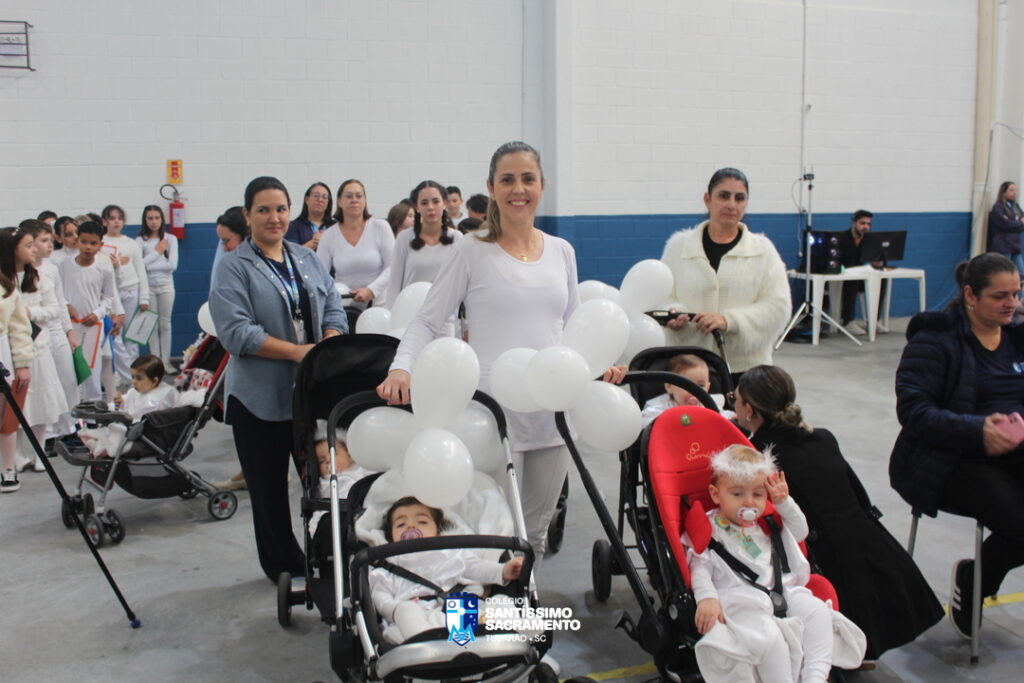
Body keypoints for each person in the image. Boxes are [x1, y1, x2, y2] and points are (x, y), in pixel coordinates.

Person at [378, 141, 626, 574]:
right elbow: (427, 320)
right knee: (493, 534)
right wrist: (401, 367)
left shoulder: (562, 251)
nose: (518, 189)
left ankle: (524, 611)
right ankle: (489, 610)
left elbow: (572, 326)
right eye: (507, 179)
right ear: (491, 187)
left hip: (553, 413)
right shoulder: (470, 250)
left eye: (528, 179)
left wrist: (598, 365)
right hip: (493, 414)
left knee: (536, 533)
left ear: (543, 185)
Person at [735, 365, 943, 659]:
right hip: (869, 543)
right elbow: (858, 493)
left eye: (735, 399)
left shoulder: (758, 457)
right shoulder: (823, 438)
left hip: (824, 557)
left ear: (749, 410)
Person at [209, 176, 347, 583]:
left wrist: (330, 340)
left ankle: (327, 555)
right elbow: (236, 332)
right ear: (248, 214)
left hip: (310, 395)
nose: (274, 218)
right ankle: (285, 566)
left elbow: (333, 304)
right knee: (268, 492)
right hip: (258, 399)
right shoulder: (233, 267)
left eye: (281, 209)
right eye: (264, 210)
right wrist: (297, 352)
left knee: (324, 483)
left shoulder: (306, 258)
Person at [891, 253, 1024, 640]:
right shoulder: (935, 340)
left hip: (1012, 451)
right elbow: (914, 412)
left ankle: (980, 573)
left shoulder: (1017, 336)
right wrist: (978, 429)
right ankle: (975, 580)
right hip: (946, 460)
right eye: (1000, 296)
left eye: (1016, 294)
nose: (1011, 304)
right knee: (1020, 524)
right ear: (970, 295)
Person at [687, 445, 865, 682]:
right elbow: (699, 566)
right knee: (770, 638)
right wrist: (707, 598)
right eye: (737, 494)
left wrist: (784, 503)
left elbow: (800, 533)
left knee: (818, 613)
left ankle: (815, 677)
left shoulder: (769, 520)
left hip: (784, 589)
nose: (749, 502)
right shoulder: (711, 529)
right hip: (742, 599)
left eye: (758, 494)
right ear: (716, 494)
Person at [661, 168, 790, 380]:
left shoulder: (764, 251)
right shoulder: (678, 247)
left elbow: (778, 307)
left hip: (745, 370)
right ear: (707, 199)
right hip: (688, 368)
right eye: (723, 196)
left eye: (739, 198)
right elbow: (663, 297)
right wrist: (673, 314)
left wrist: (729, 320)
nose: (731, 204)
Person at [369, 496, 524, 644]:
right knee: (405, 611)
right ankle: (427, 645)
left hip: (458, 612)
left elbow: (476, 567)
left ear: (438, 529)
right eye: (400, 525)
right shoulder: (387, 566)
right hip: (419, 619)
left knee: (501, 601)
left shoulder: (451, 553)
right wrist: (396, 608)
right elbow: (381, 598)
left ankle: (511, 632)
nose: (411, 527)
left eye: (422, 521)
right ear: (390, 536)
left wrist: (502, 571)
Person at [0, 225, 68, 473]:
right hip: (9, 352)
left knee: (42, 402)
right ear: (11, 250)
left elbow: (54, 309)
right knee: (17, 405)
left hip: (38, 348)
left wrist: (29, 312)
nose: (34, 250)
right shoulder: (4, 281)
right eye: (28, 245)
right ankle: (17, 454)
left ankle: (40, 450)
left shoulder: (39, 278)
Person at [29, 221, 79, 444]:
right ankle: (48, 433)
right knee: (45, 385)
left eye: (50, 240)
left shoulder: (51, 269)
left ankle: (69, 427)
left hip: (57, 331)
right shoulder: (23, 271)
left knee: (68, 380)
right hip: (37, 334)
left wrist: (69, 332)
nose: (49, 245)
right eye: (43, 241)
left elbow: (60, 302)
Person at [385, 181, 462, 327]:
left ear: (444, 203)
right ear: (417, 207)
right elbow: (394, 284)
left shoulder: (457, 238)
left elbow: (462, 284)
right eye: (424, 203)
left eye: (436, 201)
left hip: (446, 318)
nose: (430, 207)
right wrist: (391, 319)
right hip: (409, 316)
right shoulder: (404, 238)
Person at [59, 221, 118, 403]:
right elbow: (58, 292)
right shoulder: (64, 265)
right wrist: (66, 305)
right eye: (84, 242)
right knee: (71, 370)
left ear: (101, 244)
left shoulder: (104, 268)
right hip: (69, 326)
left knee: (92, 370)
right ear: (77, 241)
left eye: (93, 243)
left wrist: (98, 313)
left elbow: (109, 297)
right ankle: (74, 411)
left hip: (93, 326)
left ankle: (93, 412)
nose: (88, 247)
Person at [79, 355, 175, 457]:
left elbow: (141, 417)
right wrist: (119, 402)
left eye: (139, 379)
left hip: (143, 434)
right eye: (133, 377)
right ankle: (100, 445)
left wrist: (120, 416)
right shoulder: (136, 391)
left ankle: (102, 447)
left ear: (154, 381)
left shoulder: (158, 399)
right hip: (130, 427)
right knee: (112, 429)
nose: (134, 382)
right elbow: (128, 401)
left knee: (115, 431)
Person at [316, 179, 395, 305]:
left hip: (380, 301)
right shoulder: (328, 235)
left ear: (365, 200)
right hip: (343, 302)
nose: (354, 200)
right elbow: (320, 274)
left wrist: (371, 290)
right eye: (349, 196)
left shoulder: (381, 227)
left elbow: (393, 266)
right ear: (339, 201)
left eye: (359, 196)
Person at [101, 204, 150, 386]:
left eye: (120, 218)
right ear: (105, 221)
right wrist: (116, 263)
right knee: (115, 334)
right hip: (112, 293)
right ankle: (122, 373)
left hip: (131, 289)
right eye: (112, 218)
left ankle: (134, 375)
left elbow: (140, 269)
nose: (116, 222)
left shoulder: (131, 243)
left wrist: (144, 297)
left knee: (133, 335)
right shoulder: (101, 243)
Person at [0, 234, 33, 493]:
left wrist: (22, 363)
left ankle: (7, 468)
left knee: (6, 414)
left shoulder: (7, 286)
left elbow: (20, 328)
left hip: (3, 352)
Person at [136, 205, 179, 373]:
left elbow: (172, 265)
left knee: (165, 324)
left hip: (166, 286)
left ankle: (166, 362)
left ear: (162, 219)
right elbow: (138, 265)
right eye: (150, 218)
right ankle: (155, 362)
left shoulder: (170, 239)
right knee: (151, 325)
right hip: (148, 288)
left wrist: (148, 265)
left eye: (156, 218)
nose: (153, 222)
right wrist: (157, 252)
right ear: (145, 220)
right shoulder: (140, 241)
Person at [641, 353, 734, 426]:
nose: (695, 391)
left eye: (701, 385)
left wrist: (732, 417)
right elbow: (645, 422)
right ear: (669, 386)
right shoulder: (661, 407)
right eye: (686, 385)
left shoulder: (709, 404)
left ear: (708, 387)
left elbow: (722, 416)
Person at [834, 209, 881, 334]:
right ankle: (847, 321)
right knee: (853, 280)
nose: (866, 227)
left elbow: (870, 261)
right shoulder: (842, 238)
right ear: (854, 223)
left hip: (859, 276)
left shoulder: (868, 240)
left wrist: (877, 263)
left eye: (868, 224)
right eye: (862, 223)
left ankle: (873, 320)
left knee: (881, 279)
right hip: (841, 278)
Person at [988, 181, 1024, 275]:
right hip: (1003, 245)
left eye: (1015, 190)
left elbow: (1020, 224)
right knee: (1004, 272)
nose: (1014, 192)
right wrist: (1019, 223)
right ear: (1003, 192)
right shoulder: (998, 207)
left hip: (1015, 245)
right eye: (1011, 190)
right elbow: (1005, 224)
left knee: (1020, 273)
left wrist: (1015, 223)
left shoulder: (1016, 206)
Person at [285, 182, 333, 249]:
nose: (320, 200)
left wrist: (326, 240)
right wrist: (314, 243)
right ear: (307, 199)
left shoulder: (336, 226)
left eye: (324, 197)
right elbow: (291, 252)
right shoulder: (293, 226)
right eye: (316, 195)